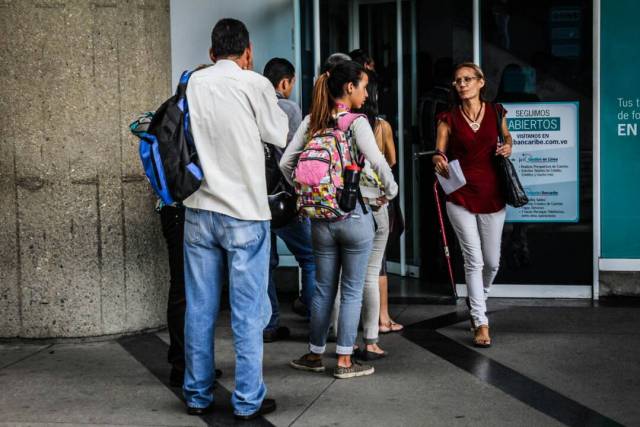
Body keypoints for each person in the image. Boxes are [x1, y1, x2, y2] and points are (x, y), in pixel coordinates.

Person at [182, 18, 288, 419]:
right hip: (244, 212)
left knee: (200, 307)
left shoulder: (193, 82)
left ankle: (197, 394)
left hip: (198, 211)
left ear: (211, 53)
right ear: (248, 52)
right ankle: (247, 400)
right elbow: (279, 134)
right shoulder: (254, 83)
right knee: (247, 312)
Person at [282, 61, 398, 379]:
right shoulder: (356, 122)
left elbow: (285, 162)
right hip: (353, 216)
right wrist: (391, 190)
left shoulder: (312, 122)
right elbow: (378, 162)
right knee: (351, 290)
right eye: (362, 86)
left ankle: (314, 353)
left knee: (322, 289)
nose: (365, 92)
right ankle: (345, 360)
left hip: (320, 219)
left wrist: (307, 189)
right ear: (349, 88)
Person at [433, 62, 512, 348]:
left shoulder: (496, 111)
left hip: (493, 193)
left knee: (492, 262)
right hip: (460, 194)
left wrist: (508, 146)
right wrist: (438, 159)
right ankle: (480, 321)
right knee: (473, 259)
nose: (462, 84)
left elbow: (507, 137)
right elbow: (439, 150)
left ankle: (478, 298)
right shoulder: (448, 117)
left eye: (468, 79)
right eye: (457, 81)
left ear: (481, 82)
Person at [262, 57, 316, 342]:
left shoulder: (253, 105)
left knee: (265, 263)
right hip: (285, 197)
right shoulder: (288, 108)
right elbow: (295, 156)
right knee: (310, 256)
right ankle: (311, 311)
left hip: (257, 198)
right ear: (285, 82)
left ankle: (269, 324)